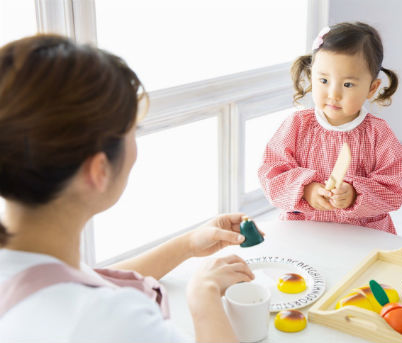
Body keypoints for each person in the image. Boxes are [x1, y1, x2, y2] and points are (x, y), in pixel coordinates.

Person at [0, 34, 256, 343]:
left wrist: (188, 245)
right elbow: (91, 306)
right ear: (99, 170)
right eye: (134, 131)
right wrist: (204, 296)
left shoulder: (24, 264)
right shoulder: (110, 322)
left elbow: (81, 278)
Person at [258, 22, 402, 234]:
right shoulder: (297, 125)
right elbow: (271, 173)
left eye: (347, 84)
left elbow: (392, 189)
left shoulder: (378, 134)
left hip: (362, 234)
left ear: (371, 88)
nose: (334, 94)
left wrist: (355, 194)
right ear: (312, 76)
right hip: (304, 229)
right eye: (323, 80)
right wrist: (306, 190)